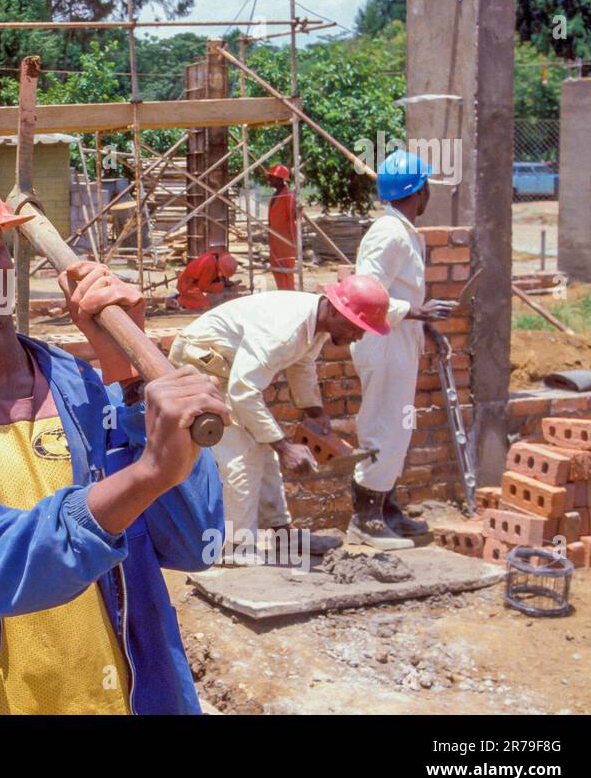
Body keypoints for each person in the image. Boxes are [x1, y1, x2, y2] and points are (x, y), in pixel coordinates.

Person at [0, 158, 230, 715]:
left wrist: (127, 376)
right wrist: (149, 473)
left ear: (10, 258)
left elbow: (194, 544)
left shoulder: (86, 390)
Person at [167, 277, 392, 561]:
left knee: (265, 450)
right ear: (335, 310)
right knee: (242, 456)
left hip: (231, 370)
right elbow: (243, 391)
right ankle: (235, 548)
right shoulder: (285, 330)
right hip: (201, 362)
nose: (358, 337)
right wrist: (284, 447)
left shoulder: (317, 322)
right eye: (356, 328)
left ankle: (282, 535)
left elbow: (302, 363)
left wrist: (314, 410)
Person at [348, 151, 457, 549]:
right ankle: (365, 519)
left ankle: (387, 508)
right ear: (420, 190)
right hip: (382, 342)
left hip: (399, 338)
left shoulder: (403, 231)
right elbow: (365, 293)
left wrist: (426, 327)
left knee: (399, 428)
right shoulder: (388, 233)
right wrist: (416, 311)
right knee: (382, 426)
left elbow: (400, 293)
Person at [266, 164, 298, 291]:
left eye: (272, 177)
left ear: (280, 179)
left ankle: (289, 295)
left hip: (285, 240)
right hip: (275, 240)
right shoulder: (275, 195)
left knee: (286, 270)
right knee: (277, 268)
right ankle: (282, 293)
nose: (269, 179)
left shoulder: (288, 196)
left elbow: (293, 215)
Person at [174, 247, 239, 310]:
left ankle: (184, 298)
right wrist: (221, 285)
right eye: (223, 274)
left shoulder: (215, 258)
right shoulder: (210, 267)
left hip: (191, 282)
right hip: (187, 285)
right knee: (204, 306)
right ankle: (177, 301)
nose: (222, 276)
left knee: (206, 302)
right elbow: (203, 287)